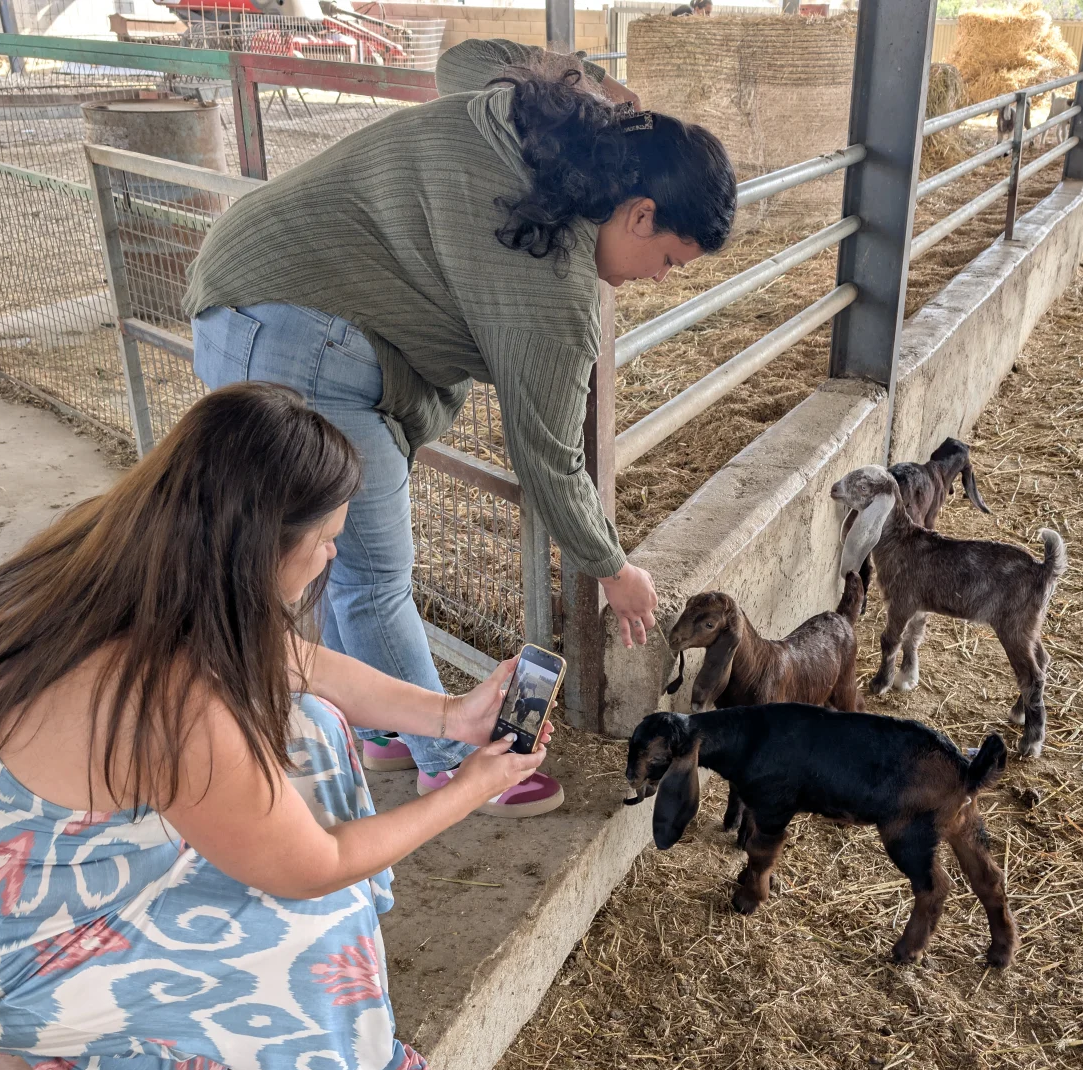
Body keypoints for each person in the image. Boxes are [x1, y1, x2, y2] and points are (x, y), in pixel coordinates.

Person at [0, 383, 552, 1070]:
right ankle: (25, 1053)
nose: (332, 555)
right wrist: (469, 786)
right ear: (257, 554)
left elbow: (293, 664)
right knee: (285, 956)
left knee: (307, 725)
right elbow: (319, 867)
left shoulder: (116, 546)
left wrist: (450, 716)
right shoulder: (178, 704)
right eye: (323, 541)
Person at [185, 40, 735, 817]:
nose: (656, 280)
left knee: (330, 559)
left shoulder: (533, 119)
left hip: (242, 296)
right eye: (670, 260)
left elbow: (466, 57)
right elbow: (547, 455)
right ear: (640, 213)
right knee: (375, 575)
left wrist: (611, 100)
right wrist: (613, 568)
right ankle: (452, 762)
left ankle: (381, 727)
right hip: (300, 336)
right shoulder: (557, 291)